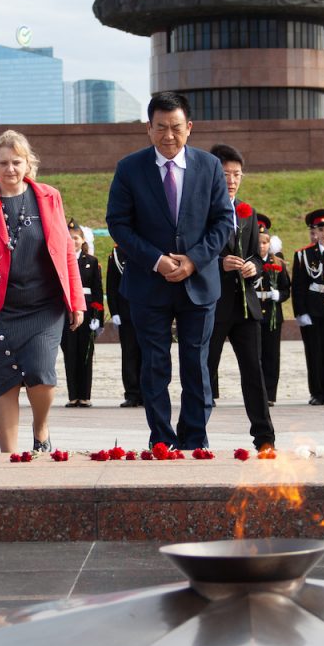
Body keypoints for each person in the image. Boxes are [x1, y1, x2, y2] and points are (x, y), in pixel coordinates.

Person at [105, 92, 234, 450]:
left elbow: (224, 221)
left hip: (199, 283)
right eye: (160, 128)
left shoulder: (209, 167)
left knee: (196, 364)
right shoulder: (129, 168)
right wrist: (157, 260)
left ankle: (195, 439)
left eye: (176, 127)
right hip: (149, 283)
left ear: (189, 128)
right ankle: (162, 439)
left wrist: (193, 260)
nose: (168, 135)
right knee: (155, 365)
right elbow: (118, 224)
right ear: (148, 129)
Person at [0, 130, 85, 452]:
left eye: (16, 162)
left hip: (43, 306)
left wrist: (77, 301)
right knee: (2, 384)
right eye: (3, 163)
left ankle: (41, 429)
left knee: (41, 372)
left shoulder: (49, 196)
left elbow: (66, 251)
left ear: (28, 164)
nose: (10, 169)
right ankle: (8, 459)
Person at [205, 143, 276, 452]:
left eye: (237, 174)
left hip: (246, 307)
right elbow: (195, 254)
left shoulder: (248, 211)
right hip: (213, 304)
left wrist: (253, 267)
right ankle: (192, 433)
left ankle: (265, 438)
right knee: (204, 370)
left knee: (253, 372)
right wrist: (219, 263)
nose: (232, 180)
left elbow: (258, 257)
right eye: (225, 174)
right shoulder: (202, 209)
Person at [292, 209, 324, 406]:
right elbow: (298, 286)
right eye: (321, 229)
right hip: (313, 309)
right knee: (314, 351)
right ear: (315, 231)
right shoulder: (304, 255)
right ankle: (317, 393)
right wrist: (301, 312)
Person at [61, 221, 104, 407]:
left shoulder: (91, 262)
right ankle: (73, 395)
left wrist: (98, 317)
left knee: (85, 353)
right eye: (70, 238)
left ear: (83, 240)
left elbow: (97, 291)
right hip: (67, 310)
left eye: (76, 238)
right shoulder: (62, 260)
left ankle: (85, 395)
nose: (73, 241)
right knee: (70, 353)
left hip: (86, 310)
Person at [255, 223, 291, 405]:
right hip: (254, 315)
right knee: (255, 356)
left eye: (265, 242)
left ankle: (270, 394)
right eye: (259, 242)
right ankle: (257, 393)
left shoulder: (277, 262)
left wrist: (279, 295)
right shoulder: (249, 261)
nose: (262, 246)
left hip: (272, 316)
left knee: (272, 356)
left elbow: (286, 289)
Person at [105, 245, 143, 407]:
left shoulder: (145, 248)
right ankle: (132, 393)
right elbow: (112, 285)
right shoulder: (116, 254)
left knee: (149, 353)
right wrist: (114, 312)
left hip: (147, 309)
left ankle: (149, 392)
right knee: (129, 352)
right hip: (126, 311)